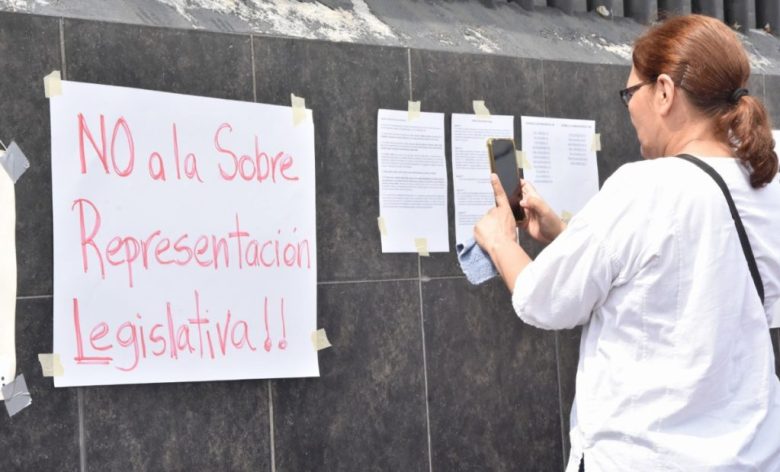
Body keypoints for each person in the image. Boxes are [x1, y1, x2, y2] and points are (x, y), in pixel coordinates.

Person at [474, 14, 780, 471]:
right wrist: (565, 236)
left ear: (663, 91)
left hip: (645, 454)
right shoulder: (766, 178)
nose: (629, 107)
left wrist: (500, 241)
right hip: (752, 453)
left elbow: (543, 301)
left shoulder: (646, 187)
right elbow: (686, 271)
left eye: (628, 93)